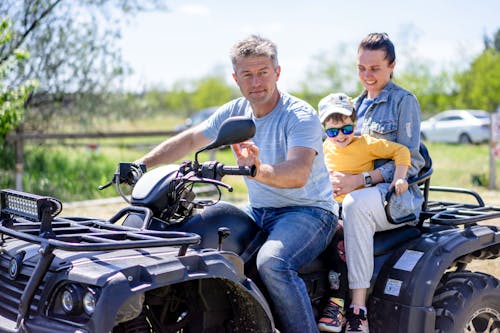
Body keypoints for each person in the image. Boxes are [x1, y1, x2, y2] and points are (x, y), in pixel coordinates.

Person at [135, 35, 339, 333]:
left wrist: (258, 170)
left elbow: (297, 173)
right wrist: (142, 164)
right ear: (236, 78)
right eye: (247, 75)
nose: (256, 82)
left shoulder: (299, 115)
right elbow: (192, 139)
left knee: (273, 262)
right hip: (260, 210)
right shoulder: (234, 112)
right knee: (198, 235)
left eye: (263, 73)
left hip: (309, 211)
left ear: (277, 72)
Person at [329, 33, 425, 333]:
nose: (367, 75)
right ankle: (329, 299)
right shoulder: (351, 106)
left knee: (356, 205)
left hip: (394, 195)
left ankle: (358, 310)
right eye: (361, 68)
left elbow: (413, 160)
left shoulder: (403, 101)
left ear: (392, 66)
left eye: (375, 68)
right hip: (353, 192)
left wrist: (362, 179)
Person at [316, 92, 411, 333]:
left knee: (341, 239)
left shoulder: (365, 144)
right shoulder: (323, 149)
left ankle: (339, 304)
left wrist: (399, 178)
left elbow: (402, 151)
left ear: (355, 125)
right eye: (332, 131)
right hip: (328, 208)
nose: (340, 136)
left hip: (353, 210)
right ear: (324, 130)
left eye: (347, 129)